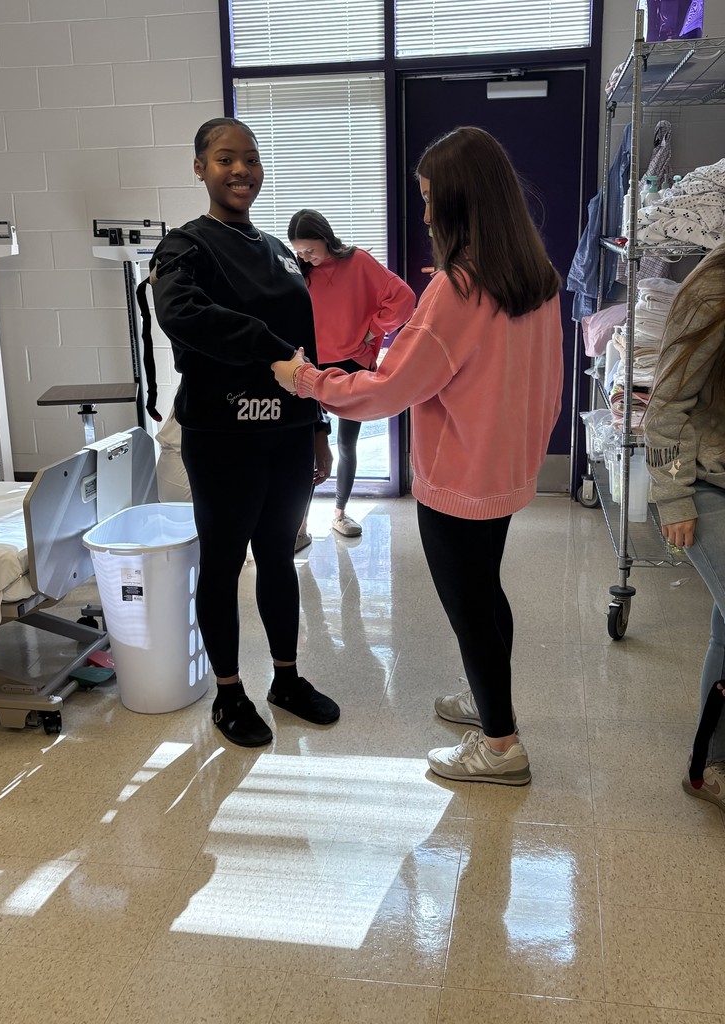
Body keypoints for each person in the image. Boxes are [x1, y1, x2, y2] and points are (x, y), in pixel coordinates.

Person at [272, 126, 563, 785]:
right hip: (504, 469)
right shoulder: (532, 275)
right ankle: (488, 705)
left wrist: (306, 379)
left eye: (432, 198)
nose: (425, 213)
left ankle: (500, 745)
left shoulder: (459, 289)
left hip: (459, 480)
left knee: (470, 608)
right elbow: (537, 372)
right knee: (485, 596)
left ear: (463, 203)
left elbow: (388, 390)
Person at [149, 116, 339, 748]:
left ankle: (286, 679)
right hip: (223, 435)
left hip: (286, 434)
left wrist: (318, 425)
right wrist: (266, 347)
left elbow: (305, 345)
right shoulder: (185, 248)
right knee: (225, 563)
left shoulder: (281, 251)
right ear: (200, 168)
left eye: (251, 159)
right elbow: (184, 317)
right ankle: (229, 692)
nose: (241, 171)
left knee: (280, 557)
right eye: (225, 159)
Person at [643, 243, 725, 809]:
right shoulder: (711, 287)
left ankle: (708, 764)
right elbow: (666, 403)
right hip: (704, 481)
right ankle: (711, 764)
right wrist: (674, 499)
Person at [287, 209, 416, 544]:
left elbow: (403, 300)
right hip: (311, 369)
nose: (306, 257)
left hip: (354, 365)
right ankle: (299, 525)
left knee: (346, 444)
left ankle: (340, 513)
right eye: (299, 251)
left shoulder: (358, 262)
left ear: (327, 239)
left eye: (311, 250)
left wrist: (373, 331)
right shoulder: (298, 271)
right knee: (306, 448)